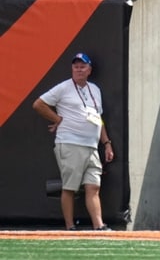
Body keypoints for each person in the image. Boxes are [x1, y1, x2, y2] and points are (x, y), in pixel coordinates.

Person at [33, 53, 114, 231]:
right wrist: (57, 119)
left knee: (93, 186)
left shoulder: (95, 89)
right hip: (70, 143)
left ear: (89, 70)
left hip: (92, 146)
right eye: (75, 66)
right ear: (72, 69)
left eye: (82, 66)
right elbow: (39, 104)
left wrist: (106, 142)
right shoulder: (64, 88)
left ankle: (99, 225)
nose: (78, 69)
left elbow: (98, 118)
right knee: (70, 187)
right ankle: (70, 227)